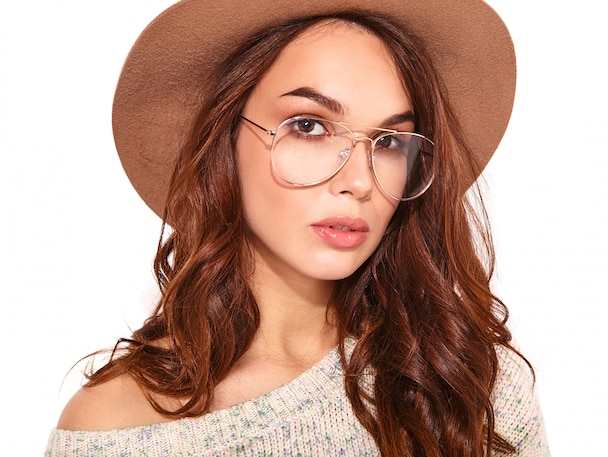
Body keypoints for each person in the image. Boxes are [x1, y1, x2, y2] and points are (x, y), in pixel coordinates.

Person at [45, 0, 550, 456]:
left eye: (390, 141)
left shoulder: (470, 387)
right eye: (309, 126)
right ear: (224, 140)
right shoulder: (113, 431)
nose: (358, 181)